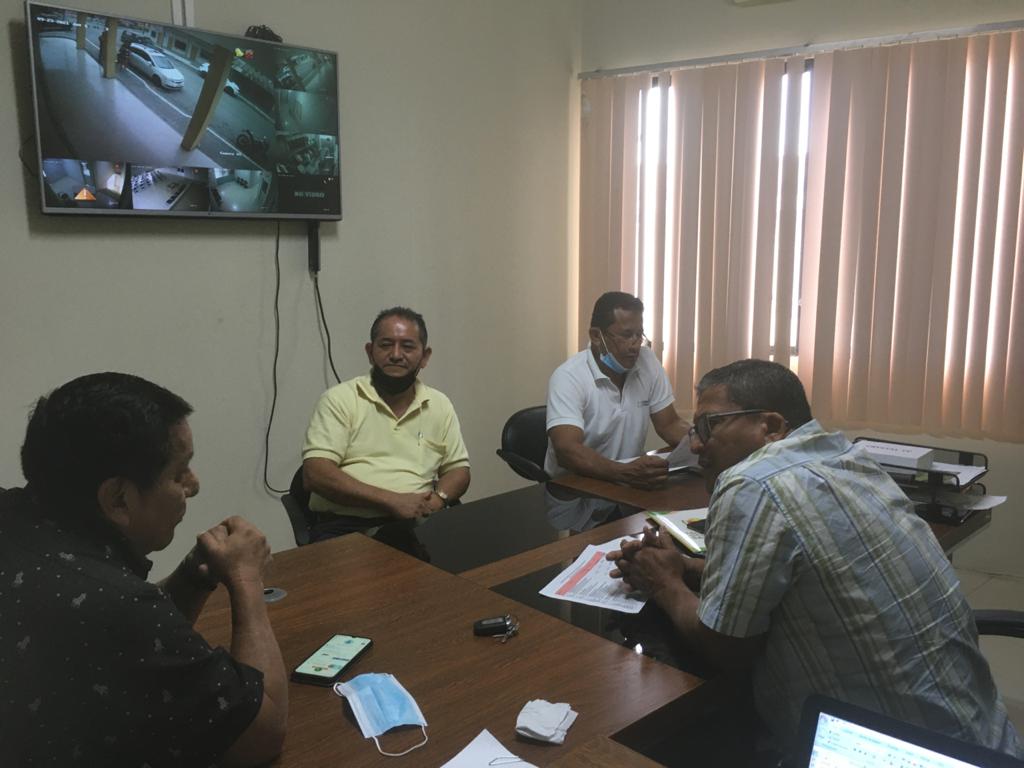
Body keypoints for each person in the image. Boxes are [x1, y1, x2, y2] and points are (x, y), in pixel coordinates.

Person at [608, 359, 1023, 760]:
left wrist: (664, 584)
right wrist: (684, 567)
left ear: (770, 425)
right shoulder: (848, 459)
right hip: (985, 740)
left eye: (708, 426)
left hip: (876, 751)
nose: (696, 444)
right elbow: (798, 574)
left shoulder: (754, 483)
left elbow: (726, 648)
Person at [0, 373, 288, 768]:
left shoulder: (21, 521)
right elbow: (261, 733)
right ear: (119, 498)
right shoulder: (117, 604)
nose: (194, 485)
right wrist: (246, 578)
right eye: (179, 472)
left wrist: (193, 577)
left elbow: (132, 652)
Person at [302, 307, 470, 538]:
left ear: (425, 356)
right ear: (370, 352)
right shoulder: (339, 399)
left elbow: (458, 470)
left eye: (407, 346)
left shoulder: (439, 404)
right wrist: (392, 501)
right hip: (348, 528)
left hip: (417, 524)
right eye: (386, 345)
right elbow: (316, 474)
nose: (396, 354)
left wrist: (438, 500)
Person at [545, 291, 689, 488]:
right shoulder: (569, 377)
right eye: (627, 335)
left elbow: (669, 425)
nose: (635, 345)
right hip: (573, 488)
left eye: (639, 335)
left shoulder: (647, 361)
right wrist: (622, 472)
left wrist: (705, 442)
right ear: (596, 336)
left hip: (626, 483)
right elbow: (567, 450)